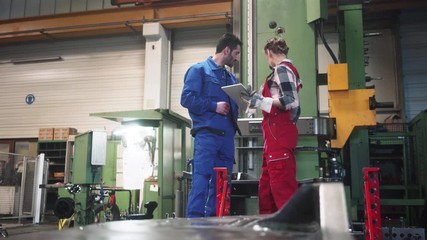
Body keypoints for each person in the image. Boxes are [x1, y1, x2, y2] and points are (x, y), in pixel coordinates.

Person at [180, 33, 242, 218]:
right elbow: (187, 98)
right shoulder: (198, 70)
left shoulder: (230, 79)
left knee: (222, 183)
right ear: (226, 50)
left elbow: (234, 105)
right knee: (201, 179)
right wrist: (213, 106)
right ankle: (195, 223)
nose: (237, 58)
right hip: (207, 136)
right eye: (236, 53)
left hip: (227, 138)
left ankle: (217, 223)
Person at [242, 37, 302, 214]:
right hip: (273, 140)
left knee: (283, 194)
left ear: (268, 53)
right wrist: (255, 99)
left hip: (279, 138)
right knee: (267, 193)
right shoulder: (278, 73)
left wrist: (260, 101)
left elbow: (291, 101)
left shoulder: (282, 69)